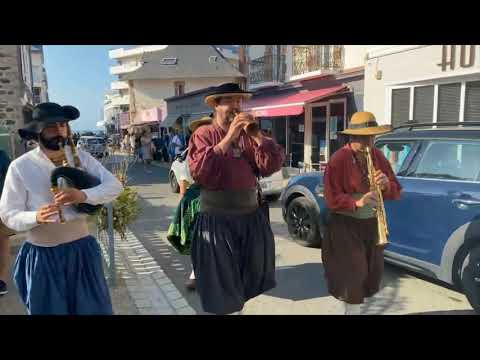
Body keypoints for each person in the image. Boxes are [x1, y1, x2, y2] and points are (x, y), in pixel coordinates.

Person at [0, 102, 123, 315]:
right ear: (38, 131)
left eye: (63, 125)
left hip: (82, 252)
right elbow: (8, 214)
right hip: (43, 257)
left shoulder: (82, 158)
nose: (59, 131)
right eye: (51, 126)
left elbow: (115, 186)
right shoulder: (20, 166)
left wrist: (83, 195)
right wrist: (35, 216)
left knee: (93, 310)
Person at [188, 83, 285, 314]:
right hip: (218, 220)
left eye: (240, 101)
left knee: (246, 277)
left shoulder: (247, 136)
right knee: (222, 283)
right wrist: (229, 136)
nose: (237, 106)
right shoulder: (203, 134)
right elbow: (199, 171)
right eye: (230, 100)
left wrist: (258, 136)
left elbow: (270, 166)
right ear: (216, 105)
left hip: (249, 218)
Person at [322, 111, 402, 315]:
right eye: (365, 137)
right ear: (353, 137)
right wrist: (357, 201)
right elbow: (331, 198)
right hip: (346, 227)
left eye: (372, 136)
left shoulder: (377, 155)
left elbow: (396, 188)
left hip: (372, 225)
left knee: (370, 275)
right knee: (352, 277)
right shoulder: (338, 159)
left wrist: (385, 184)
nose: (370, 141)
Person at [0, 149, 14, 296]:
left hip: (1, 206)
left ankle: (1, 280)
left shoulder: (1, 156)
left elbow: (10, 182)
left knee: (3, 241)